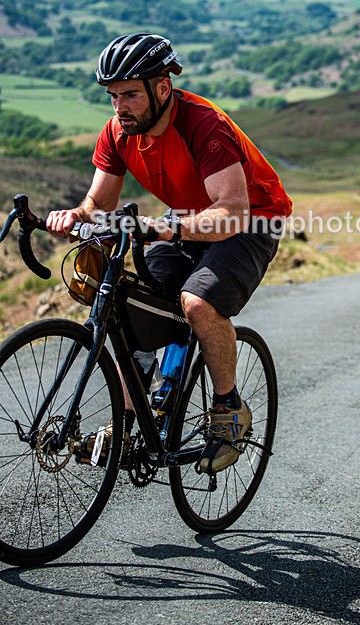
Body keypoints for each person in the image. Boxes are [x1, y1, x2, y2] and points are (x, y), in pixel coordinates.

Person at [46, 32, 292, 474]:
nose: (120, 107)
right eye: (113, 96)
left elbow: (232, 212)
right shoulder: (119, 131)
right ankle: (125, 422)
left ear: (163, 88)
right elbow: (98, 203)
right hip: (187, 216)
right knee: (130, 300)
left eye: (130, 95)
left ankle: (229, 410)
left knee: (198, 303)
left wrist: (163, 228)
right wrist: (74, 216)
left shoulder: (203, 125)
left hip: (252, 220)